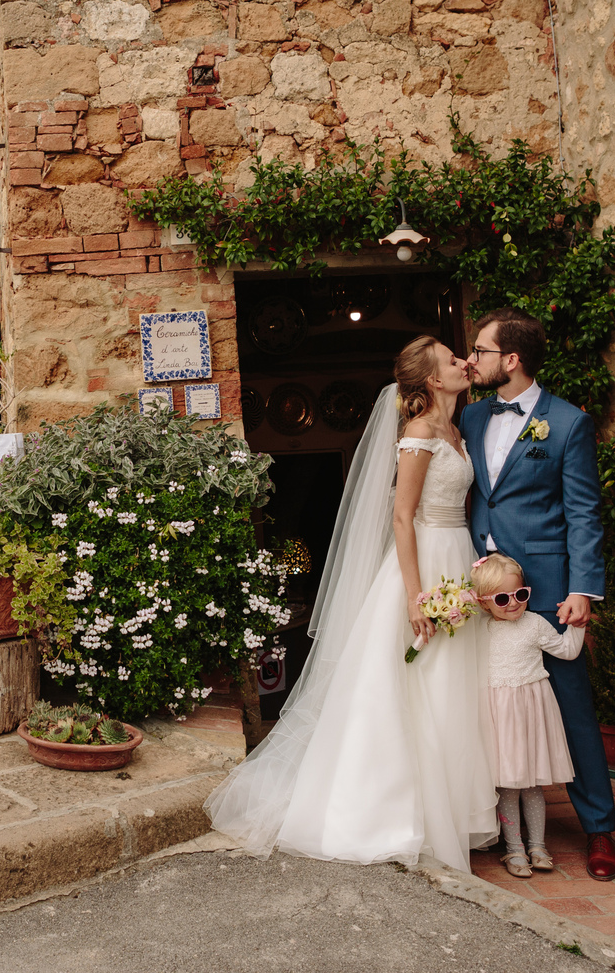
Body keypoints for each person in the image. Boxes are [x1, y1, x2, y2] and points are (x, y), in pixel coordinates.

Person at [204, 336, 498, 871]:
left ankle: (445, 813)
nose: (465, 363)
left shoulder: (457, 428)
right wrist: (416, 594)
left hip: (458, 556)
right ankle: (392, 814)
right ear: (433, 380)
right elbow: (402, 517)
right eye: (454, 360)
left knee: (449, 689)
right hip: (424, 564)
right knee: (412, 688)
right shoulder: (418, 434)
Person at [460, 307, 615, 881]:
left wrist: (582, 590)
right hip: (481, 590)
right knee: (483, 705)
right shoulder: (472, 417)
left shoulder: (567, 423)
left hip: (549, 589)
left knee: (574, 707)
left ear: (511, 359)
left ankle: (599, 831)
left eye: (480, 350)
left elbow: (583, 512)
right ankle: (493, 827)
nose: (471, 359)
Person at [471, 552, 588, 878]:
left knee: (534, 784)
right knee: (508, 785)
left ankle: (538, 845)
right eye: (502, 598)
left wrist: (577, 623)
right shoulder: (478, 630)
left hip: (533, 711)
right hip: (500, 715)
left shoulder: (534, 623)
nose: (513, 603)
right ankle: (514, 849)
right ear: (483, 602)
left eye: (521, 594)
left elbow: (567, 650)